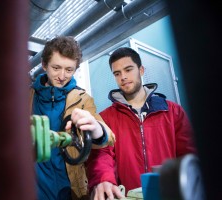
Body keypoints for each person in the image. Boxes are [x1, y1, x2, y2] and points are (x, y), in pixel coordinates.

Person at [86, 47, 197, 199]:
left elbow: (188, 155)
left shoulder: (172, 111)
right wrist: (104, 179)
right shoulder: (106, 118)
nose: (123, 77)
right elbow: (101, 155)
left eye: (128, 69)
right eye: (117, 73)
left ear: (141, 70)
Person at [29, 36, 115, 200]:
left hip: (71, 192)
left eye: (69, 70)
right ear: (44, 64)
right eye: (56, 68)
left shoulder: (82, 99)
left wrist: (97, 129)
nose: (62, 76)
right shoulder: (26, 97)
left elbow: (108, 138)